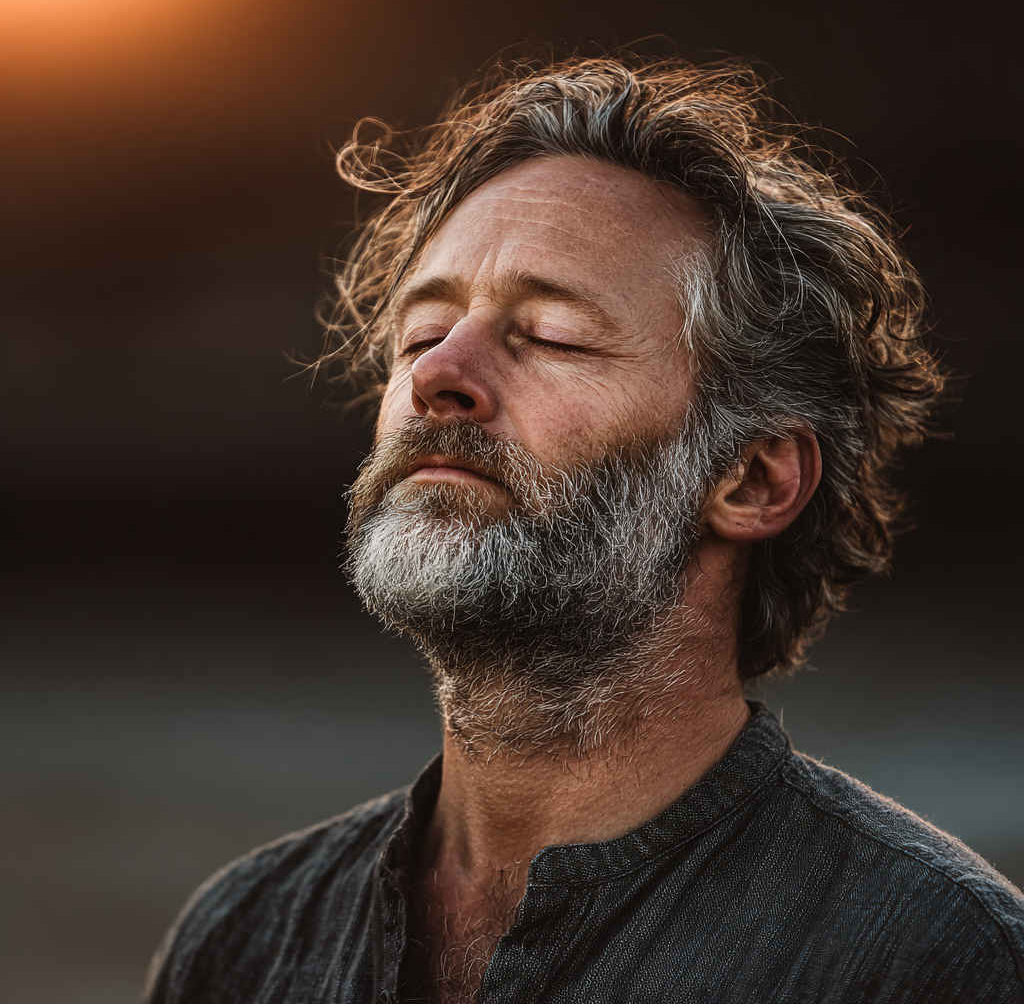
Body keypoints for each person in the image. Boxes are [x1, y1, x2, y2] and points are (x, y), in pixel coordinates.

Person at [143, 56, 1024, 1004]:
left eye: (554, 336)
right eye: (420, 334)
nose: (443, 374)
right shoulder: (245, 938)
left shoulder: (933, 963)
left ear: (755, 478)